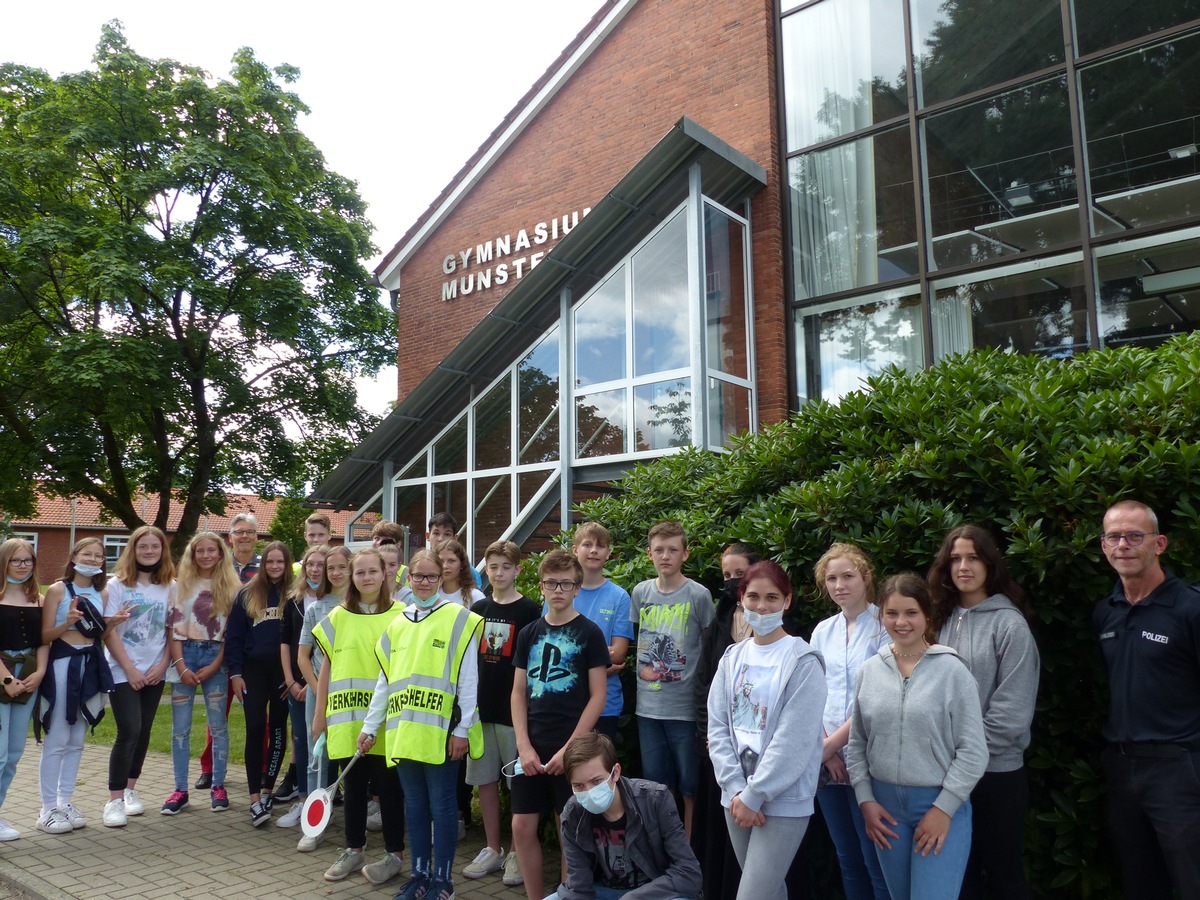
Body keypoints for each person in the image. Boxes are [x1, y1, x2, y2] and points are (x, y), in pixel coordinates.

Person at [847, 573, 987, 900]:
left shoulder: (953, 672)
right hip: (884, 810)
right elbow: (857, 744)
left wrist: (944, 809)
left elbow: (973, 751)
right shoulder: (869, 672)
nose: (901, 622)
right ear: (881, 616)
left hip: (938, 805)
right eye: (892, 613)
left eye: (911, 612)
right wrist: (866, 799)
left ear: (927, 614)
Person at [361, 548, 483, 900]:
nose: (425, 582)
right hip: (405, 731)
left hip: (443, 732)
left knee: (442, 805)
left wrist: (462, 730)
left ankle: (444, 881)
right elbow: (385, 682)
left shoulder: (459, 617)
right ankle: (419, 876)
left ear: (443, 576)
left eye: (432, 576)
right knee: (413, 804)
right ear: (407, 578)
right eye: (418, 576)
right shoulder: (397, 623)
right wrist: (371, 727)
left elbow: (469, 679)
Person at [1092, 499, 1200, 899]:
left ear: (1160, 544)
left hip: (1180, 770)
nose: (1124, 545)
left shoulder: (1191, 608)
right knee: (1140, 885)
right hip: (1121, 769)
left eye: (1135, 535)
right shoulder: (1106, 612)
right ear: (1104, 546)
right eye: (1114, 537)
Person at [928, 525, 1039, 900]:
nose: (963, 566)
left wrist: (964, 759)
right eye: (955, 558)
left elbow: (1011, 714)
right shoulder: (937, 621)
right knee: (960, 878)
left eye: (973, 557)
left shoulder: (1009, 624)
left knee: (1005, 876)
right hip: (944, 775)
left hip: (996, 776)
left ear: (990, 564)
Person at [707, 559, 827, 900]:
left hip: (782, 798)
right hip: (735, 796)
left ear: (787, 602)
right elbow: (717, 728)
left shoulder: (803, 661)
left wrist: (755, 794)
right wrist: (734, 788)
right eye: (754, 597)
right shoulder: (731, 657)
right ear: (741, 599)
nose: (762, 606)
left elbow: (795, 740)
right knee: (771, 892)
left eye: (772, 598)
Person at [511, 549, 609, 900]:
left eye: (566, 583)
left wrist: (569, 749)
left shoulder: (590, 633)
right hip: (531, 748)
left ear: (577, 588)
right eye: (551, 583)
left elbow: (598, 696)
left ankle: (567, 896)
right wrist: (523, 745)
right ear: (541, 586)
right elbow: (518, 693)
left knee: (569, 828)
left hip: (573, 748)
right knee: (521, 827)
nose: (558, 590)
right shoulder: (529, 634)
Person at [312, 548, 406, 885]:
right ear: (352, 578)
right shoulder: (339, 616)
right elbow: (327, 667)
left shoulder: (402, 615)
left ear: (385, 574)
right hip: (347, 719)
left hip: (387, 720)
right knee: (352, 789)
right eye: (359, 572)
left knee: (389, 789)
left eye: (372, 571)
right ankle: (354, 849)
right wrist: (319, 716)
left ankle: (395, 853)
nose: (366, 578)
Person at [809, 543, 889, 900]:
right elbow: (811, 694)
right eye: (832, 578)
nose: (840, 585)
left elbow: (877, 699)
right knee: (846, 856)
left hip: (869, 758)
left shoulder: (884, 627)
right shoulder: (822, 631)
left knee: (875, 856)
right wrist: (825, 752)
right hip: (827, 761)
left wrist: (833, 746)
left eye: (848, 576)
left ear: (866, 577)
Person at [463, 540, 542, 885]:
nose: (498, 573)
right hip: (482, 711)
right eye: (492, 566)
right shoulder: (477, 610)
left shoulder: (531, 610)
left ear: (518, 570)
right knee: (486, 782)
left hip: (515, 714)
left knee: (518, 787)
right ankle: (493, 848)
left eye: (505, 567)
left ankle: (515, 852)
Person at [631, 520, 715, 838]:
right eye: (659, 550)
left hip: (684, 709)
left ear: (685, 554)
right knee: (656, 788)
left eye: (673, 550)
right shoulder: (641, 593)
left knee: (691, 786)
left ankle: (690, 857)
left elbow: (708, 650)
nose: (665, 556)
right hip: (647, 708)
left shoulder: (699, 595)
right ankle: (662, 854)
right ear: (649, 554)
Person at [553, 731, 702, 900]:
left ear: (615, 772)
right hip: (601, 891)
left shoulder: (655, 800)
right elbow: (578, 888)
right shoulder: (573, 813)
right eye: (579, 786)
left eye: (596, 781)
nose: (589, 792)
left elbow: (689, 874)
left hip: (654, 893)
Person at [38, 537, 120, 834]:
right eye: (88, 553)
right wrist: (68, 620)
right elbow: (46, 634)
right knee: (57, 738)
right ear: (74, 556)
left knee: (76, 740)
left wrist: (113, 623)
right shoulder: (59, 590)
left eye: (99, 555)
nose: (94, 559)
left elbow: (97, 633)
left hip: (90, 666)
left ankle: (65, 801)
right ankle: (47, 808)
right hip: (63, 665)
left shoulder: (102, 591)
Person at [691, 542, 759, 900]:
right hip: (717, 749)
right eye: (727, 576)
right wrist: (707, 733)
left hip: (757, 751)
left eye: (740, 574)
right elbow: (704, 682)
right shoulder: (719, 620)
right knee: (718, 829)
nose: (733, 582)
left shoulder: (779, 625)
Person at [102, 526, 174, 828]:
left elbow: (174, 630)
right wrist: (130, 669)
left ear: (162, 551)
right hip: (122, 670)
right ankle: (114, 799)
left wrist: (163, 665)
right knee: (129, 730)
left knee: (144, 731)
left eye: (154, 546)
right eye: (142, 546)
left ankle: (131, 791)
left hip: (156, 670)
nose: (148, 551)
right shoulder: (117, 585)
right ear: (133, 550)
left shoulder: (171, 585)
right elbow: (109, 631)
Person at [164, 531, 239, 815]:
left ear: (221, 554)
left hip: (214, 657)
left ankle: (218, 785)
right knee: (180, 729)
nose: (206, 555)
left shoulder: (232, 588)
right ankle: (180, 789)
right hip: (184, 654)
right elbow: (172, 628)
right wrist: (181, 666)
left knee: (218, 726)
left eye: (212, 550)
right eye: (200, 551)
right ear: (192, 555)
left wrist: (216, 664)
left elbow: (231, 634)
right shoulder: (178, 586)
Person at [226, 540, 292, 826]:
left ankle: (268, 790)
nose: (275, 566)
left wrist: (294, 677)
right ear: (263, 564)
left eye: (280, 562)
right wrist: (235, 673)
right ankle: (254, 798)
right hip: (253, 670)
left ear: (287, 565)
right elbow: (234, 638)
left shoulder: (295, 594)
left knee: (278, 729)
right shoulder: (247, 594)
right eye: (270, 562)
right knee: (255, 727)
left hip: (283, 672)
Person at [195, 511, 259, 791]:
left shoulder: (266, 567)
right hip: (220, 652)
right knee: (216, 714)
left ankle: (261, 768)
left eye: (250, 532)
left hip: (255, 653)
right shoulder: (219, 567)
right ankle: (209, 768)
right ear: (230, 538)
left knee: (259, 718)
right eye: (239, 532)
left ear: (257, 537)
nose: (244, 536)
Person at [295, 544, 344, 852]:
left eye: (342, 567)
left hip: (355, 696)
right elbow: (303, 655)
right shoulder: (316, 608)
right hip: (318, 692)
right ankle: (314, 825)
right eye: (331, 568)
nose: (336, 573)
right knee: (317, 757)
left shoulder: (367, 606)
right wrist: (316, 689)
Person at [276, 544, 326, 830]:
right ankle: (306, 799)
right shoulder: (294, 600)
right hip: (296, 683)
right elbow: (286, 642)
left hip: (323, 684)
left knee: (325, 743)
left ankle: (326, 798)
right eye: (311, 564)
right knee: (302, 741)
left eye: (321, 564)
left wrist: (314, 684)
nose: (315, 569)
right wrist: (292, 680)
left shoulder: (337, 601)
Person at [0, 539, 47, 841]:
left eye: (27, 560)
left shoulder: (39, 600)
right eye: (15, 560)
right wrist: (6, 679)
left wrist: (40, 672)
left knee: (14, 752)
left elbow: (44, 641)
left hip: (28, 676)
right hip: (3, 675)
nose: (22, 565)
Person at [572, 523, 634, 741]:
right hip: (566, 701)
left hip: (606, 705)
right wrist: (597, 661)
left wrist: (574, 660)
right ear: (575, 550)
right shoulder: (562, 591)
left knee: (598, 771)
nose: (593, 550)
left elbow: (617, 654)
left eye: (600, 546)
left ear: (608, 553)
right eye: (587, 544)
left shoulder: (619, 597)